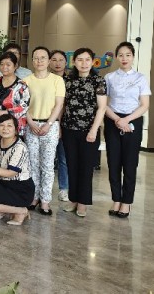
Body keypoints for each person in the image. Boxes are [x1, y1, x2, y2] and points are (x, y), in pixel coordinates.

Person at [104, 42, 151, 218]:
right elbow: (103, 104)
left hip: (133, 121)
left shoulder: (140, 78)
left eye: (128, 55)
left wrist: (127, 120)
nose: (124, 58)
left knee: (130, 164)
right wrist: (117, 119)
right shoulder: (109, 78)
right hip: (112, 120)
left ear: (133, 57)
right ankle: (116, 199)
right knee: (113, 163)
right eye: (121, 55)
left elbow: (144, 105)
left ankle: (126, 202)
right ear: (116, 57)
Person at [62, 48, 107, 217]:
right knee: (72, 165)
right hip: (69, 129)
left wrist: (94, 130)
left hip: (89, 131)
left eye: (87, 59)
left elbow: (102, 108)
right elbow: (63, 105)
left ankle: (83, 203)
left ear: (93, 62)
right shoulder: (67, 80)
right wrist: (59, 126)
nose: (84, 63)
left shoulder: (98, 80)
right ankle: (73, 199)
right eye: (80, 60)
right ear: (74, 62)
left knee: (86, 167)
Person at [22, 46, 65, 215]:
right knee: (32, 164)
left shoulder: (57, 80)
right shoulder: (26, 81)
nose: (39, 61)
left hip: (50, 126)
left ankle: (45, 200)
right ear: (32, 61)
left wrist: (49, 123)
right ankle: (34, 197)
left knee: (47, 165)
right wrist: (30, 122)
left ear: (48, 61)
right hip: (31, 125)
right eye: (36, 58)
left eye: (43, 58)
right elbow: (22, 105)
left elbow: (59, 104)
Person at [0, 51, 30, 154]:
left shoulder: (21, 85)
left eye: (8, 64)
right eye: (2, 64)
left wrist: (2, 113)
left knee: (12, 155)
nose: (4, 67)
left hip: (13, 128)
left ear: (15, 66)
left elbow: (24, 108)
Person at [49, 49, 70, 202]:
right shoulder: (46, 79)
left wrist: (60, 125)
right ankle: (44, 190)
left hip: (65, 124)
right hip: (46, 123)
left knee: (63, 159)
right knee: (46, 160)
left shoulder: (70, 81)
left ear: (66, 62)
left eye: (61, 60)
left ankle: (64, 189)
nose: (57, 63)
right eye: (54, 60)